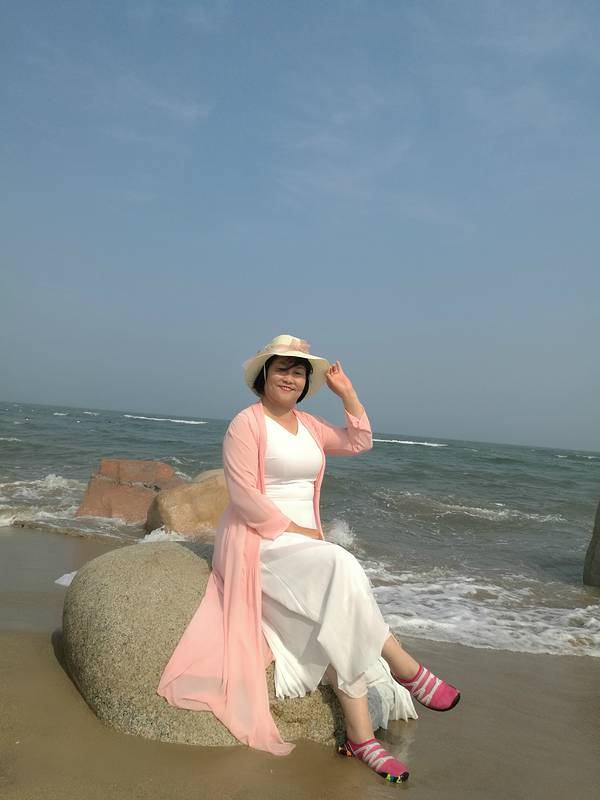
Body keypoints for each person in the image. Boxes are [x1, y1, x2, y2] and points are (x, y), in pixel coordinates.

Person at [156, 334, 460, 784]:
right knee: (341, 564)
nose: (291, 378)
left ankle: (360, 737)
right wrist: (294, 530)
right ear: (264, 375)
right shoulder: (246, 424)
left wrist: (347, 393)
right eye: (282, 368)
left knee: (339, 604)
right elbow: (243, 495)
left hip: (304, 548)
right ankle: (406, 668)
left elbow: (359, 442)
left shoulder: (310, 425)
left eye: (299, 372)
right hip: (259, 541)